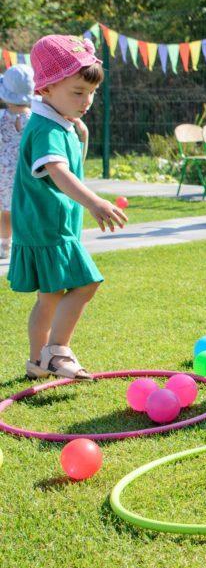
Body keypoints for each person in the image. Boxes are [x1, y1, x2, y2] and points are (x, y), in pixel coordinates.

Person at [8, 35, 127, 380]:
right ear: (45, 90)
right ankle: (58, 352)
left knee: (50, 297)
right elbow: (58, 172)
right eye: (78, 93)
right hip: (49, 227)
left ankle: (37, 363)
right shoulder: (46, 128)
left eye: (91, 93)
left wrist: (79, 132)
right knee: (87, 283)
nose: (87, 100)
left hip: (43, 224)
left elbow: (66, 162)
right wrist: (94, 201)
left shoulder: (57, 122)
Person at [0, 64, 36, 259]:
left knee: (6, 211)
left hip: (4, 172)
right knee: (26, 210)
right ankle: (28, 246)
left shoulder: (1, 118)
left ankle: (5, 246)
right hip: (26, 171)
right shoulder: (35, 119)